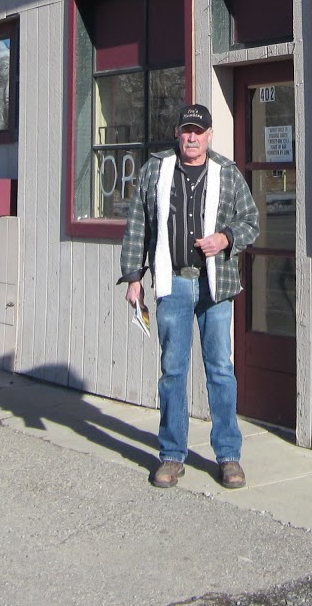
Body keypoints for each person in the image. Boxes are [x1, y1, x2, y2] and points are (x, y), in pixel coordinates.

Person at [118, 103, 260, 489]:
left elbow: (252, 222)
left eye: (199, 131)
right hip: (173, 285)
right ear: (178, 134)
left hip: (216, 287)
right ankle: (171, 455)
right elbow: (138, 226)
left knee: (220, 370)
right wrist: (134, 278)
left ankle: (228, 456)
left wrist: (226, 238)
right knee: (173, 373)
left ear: (209, 135)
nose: (192, 137)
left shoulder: (226, 173)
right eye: (186, 131)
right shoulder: (156, 170)